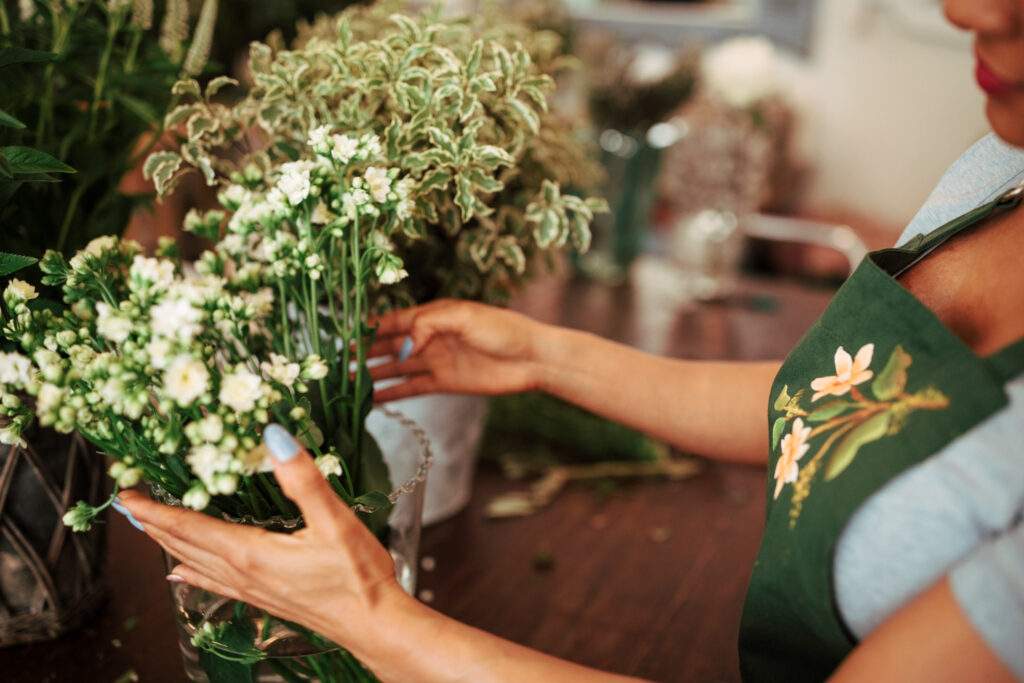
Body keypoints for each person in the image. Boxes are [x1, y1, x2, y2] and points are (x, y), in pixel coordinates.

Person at [118, 0, 1024, 680]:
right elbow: (839, 403)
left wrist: (372, 617)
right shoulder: (1002, 159)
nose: (967, 10)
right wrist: (545, 356)